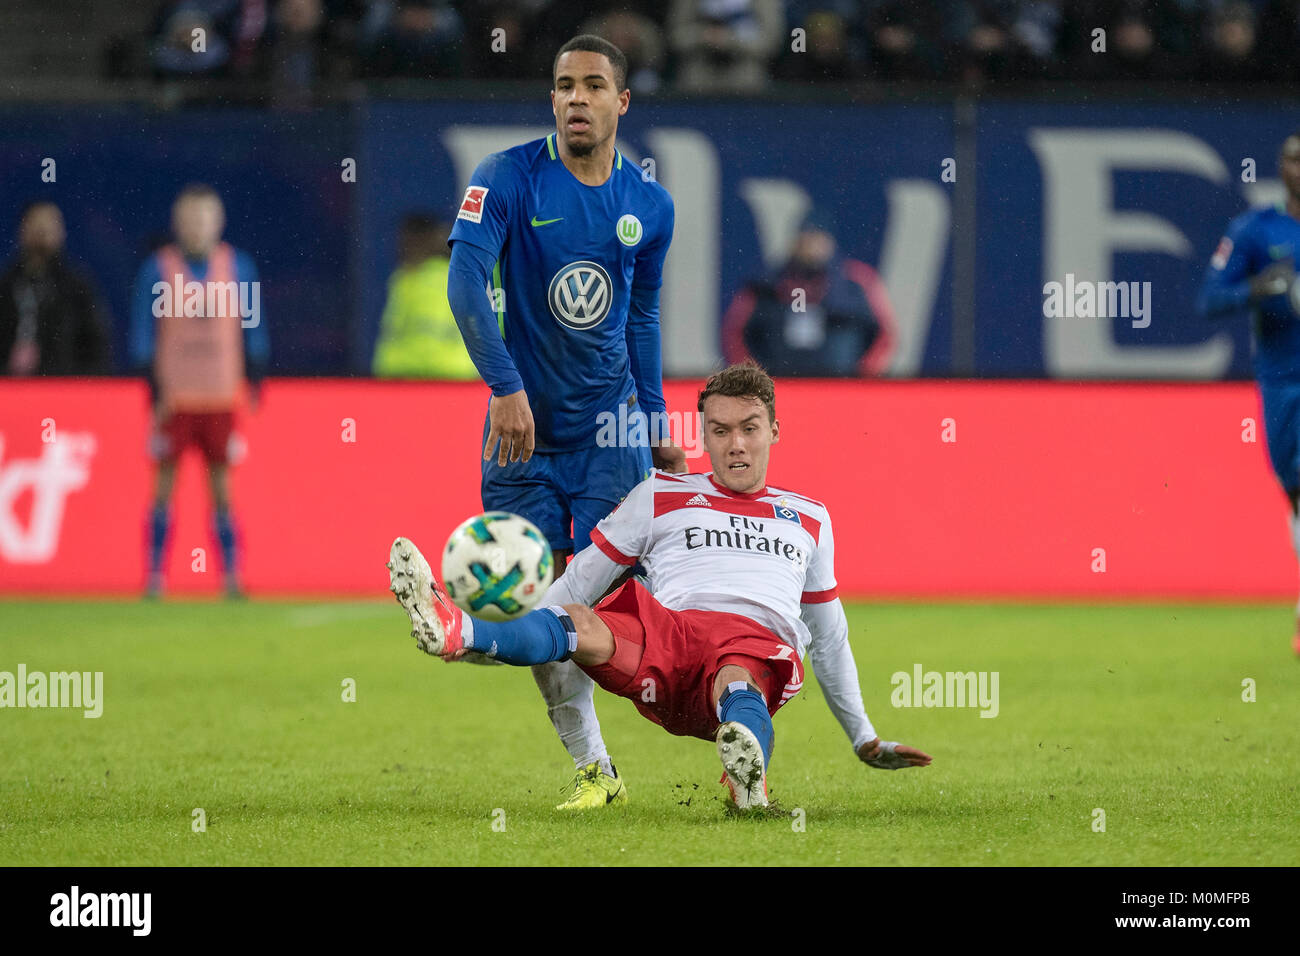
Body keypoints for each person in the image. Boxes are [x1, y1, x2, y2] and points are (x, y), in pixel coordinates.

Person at [387, 363, 931, 809]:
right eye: (720, 431)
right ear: (704, 434)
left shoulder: (809, 517)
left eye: (750, 427)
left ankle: (749, 783)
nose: (736, 445)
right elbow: (576, 584)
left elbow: (830, 637)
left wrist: (864, 737)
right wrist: (491, 645)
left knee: (737, 677)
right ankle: (458, 629)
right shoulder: (658, 495)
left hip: (753, 644)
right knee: (576, 623)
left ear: (774, 431)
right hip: (668, 644)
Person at [444, 34, 683, 810]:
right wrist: (505, 385)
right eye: (561, 86)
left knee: (627, 611)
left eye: (591, 85)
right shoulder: (507, 177)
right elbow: (464, 282)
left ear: (622, 102)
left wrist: (651, 420)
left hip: (612, 440)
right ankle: (594, 771)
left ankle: (727, 715)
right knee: (539, 606)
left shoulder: (649, 205)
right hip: (522, 439)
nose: (575, 98)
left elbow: (641, 318)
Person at [130, 184, 269, 599]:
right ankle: (155, 577)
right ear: (177, 224)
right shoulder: (158, 269)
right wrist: (152, 388)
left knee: (222, 488)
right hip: (175, 398)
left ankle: (231, 577)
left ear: (218, 222)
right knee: (163, 486)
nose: (197, 227)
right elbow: (142, 331)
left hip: (221, 396)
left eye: (204, 218)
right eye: (189, 219)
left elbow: (253, 325)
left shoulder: (238, 266)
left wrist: (256, 375)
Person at [1197, 131, 1300, 656]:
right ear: (1282, 168)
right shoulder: (1256, 230)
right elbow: (1210, 298)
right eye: (1294, 159)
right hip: (1285, 381)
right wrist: (1258, 289)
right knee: (1296, 491)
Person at [722, 210, 896, 376]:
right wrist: (751, 377)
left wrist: (864, 376)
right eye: (805, 238)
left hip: (840, 388)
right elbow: (735, 332)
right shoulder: (765, 283)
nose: (810, 246)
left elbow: (885, 334)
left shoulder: (856, 281)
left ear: (830, 242)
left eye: (817, 238)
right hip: (778, 386)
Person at [0, 201, 112, 376]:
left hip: (61, 387)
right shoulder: (6, 285)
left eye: (47, 227)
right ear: (22, 230)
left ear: (61, 233)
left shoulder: (76, 287)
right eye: (36, 226)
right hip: (7, 386)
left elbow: (96, 346)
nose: (41, 234)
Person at [372, 215, 475, 379]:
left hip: (439, 376)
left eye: (411, 241)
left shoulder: (443, 276)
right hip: (445, 375)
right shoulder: (403, 279)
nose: (404, 247)